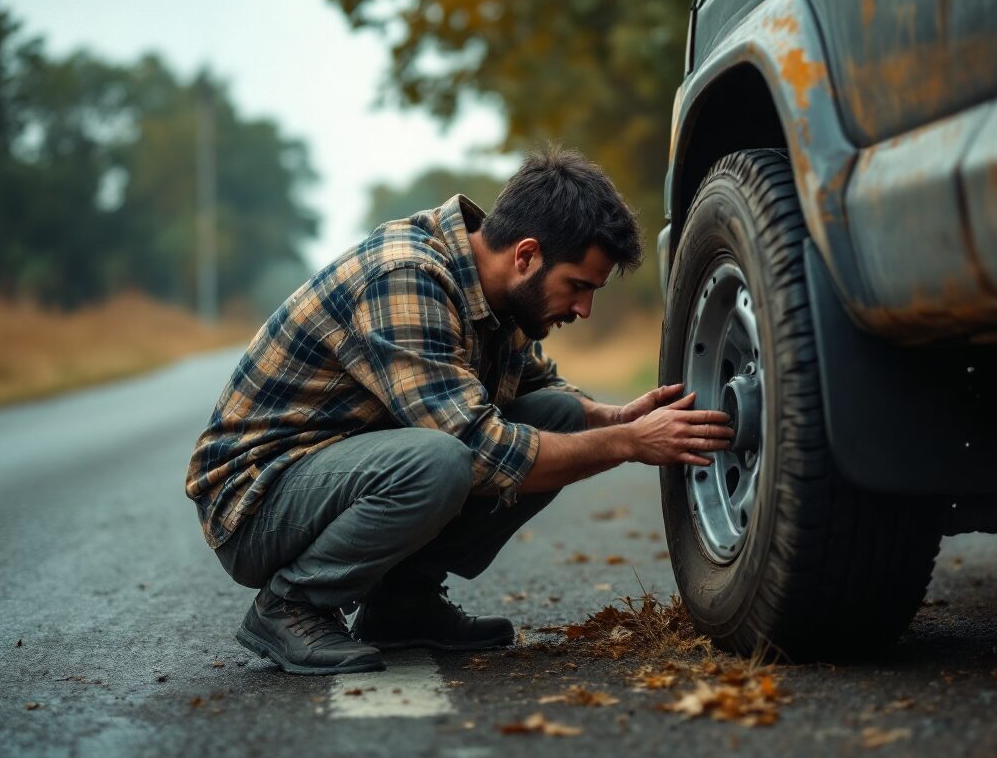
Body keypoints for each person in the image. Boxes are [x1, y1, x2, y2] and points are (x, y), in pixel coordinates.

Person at [184, 147, 733, 675]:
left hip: (337, 477)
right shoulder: (405, 278)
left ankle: (402, 603)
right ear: (526, 255)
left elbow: (547, 393)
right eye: (579, 286)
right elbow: (477, 450)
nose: (584, 310)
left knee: (560, 415)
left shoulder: (499, 296)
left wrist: (619, 419)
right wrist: (629, 444)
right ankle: (290, 606)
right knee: (444, 459)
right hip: (257, 501)